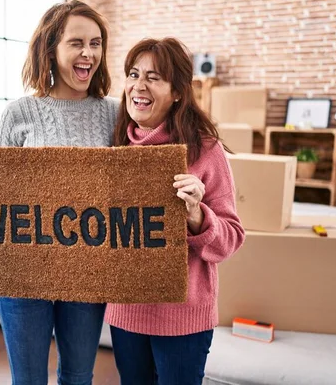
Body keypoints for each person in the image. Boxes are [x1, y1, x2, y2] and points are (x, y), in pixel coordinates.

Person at [0, 0, 119, 385]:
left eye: (96, 43)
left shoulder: (115, 113)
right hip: (23, 276)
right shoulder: (18, 113)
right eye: (76, 43)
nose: (88, 53)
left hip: (86, 274)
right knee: (27, 381)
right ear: (51, 48)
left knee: (78, 377)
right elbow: (0, 193)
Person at [105, 37, 246, 385]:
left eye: (154, 77)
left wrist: (197, 216)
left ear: (178, 91)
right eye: (133, 74)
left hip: (183, 317)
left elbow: (232, 239)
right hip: (126, 312)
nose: (139, 85)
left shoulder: (205, 150)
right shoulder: (115, 147)